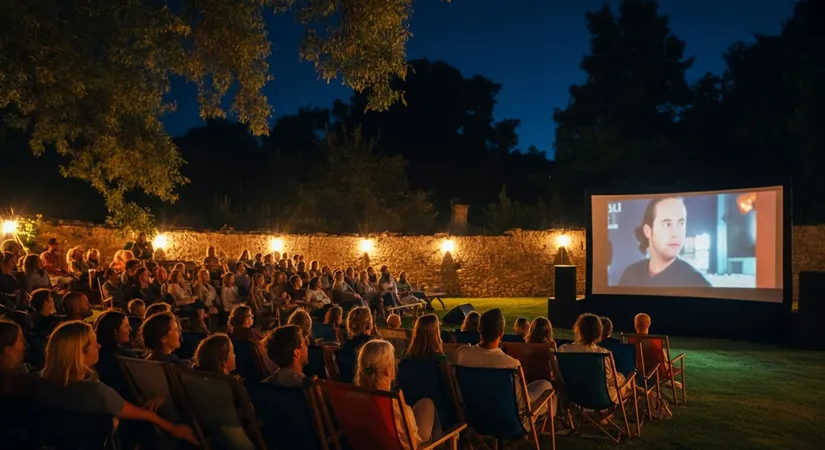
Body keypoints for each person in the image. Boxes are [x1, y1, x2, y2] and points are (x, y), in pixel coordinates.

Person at [37, 321, 197, 444]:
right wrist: (176, 430)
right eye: (94, 344)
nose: (99, 346)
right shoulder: (95, 392)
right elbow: (146, 415)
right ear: (80, 353)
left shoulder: (42, 383)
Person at [455, 309, 555, 427]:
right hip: (510, 423)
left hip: (474, 418)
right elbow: (522, 402)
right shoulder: (510, 364)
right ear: (501, 333)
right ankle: (552, 417)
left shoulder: (461, 354)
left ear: (479, 329)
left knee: (542, 386)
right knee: (546, 387)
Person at [356, 340, 437, 450]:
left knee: (425, 404)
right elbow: (416, 443)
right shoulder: (396, 408)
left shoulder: (354, 400)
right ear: (388, 370)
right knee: (430, 410)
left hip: (371, 443)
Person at [618, 197, 711, 287]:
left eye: (681, 224)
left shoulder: (697, 282)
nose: (676, 234)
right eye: (667, 224)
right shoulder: (630, 275)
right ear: (648, 231)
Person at [558, 313, 630, 403]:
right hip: (601, 399)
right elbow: (611, 380)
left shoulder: (563, 350)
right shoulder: (603, 354)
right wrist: (622, 378)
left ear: (578, 329)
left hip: (573, 397)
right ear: (599, 332)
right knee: (626, 380)